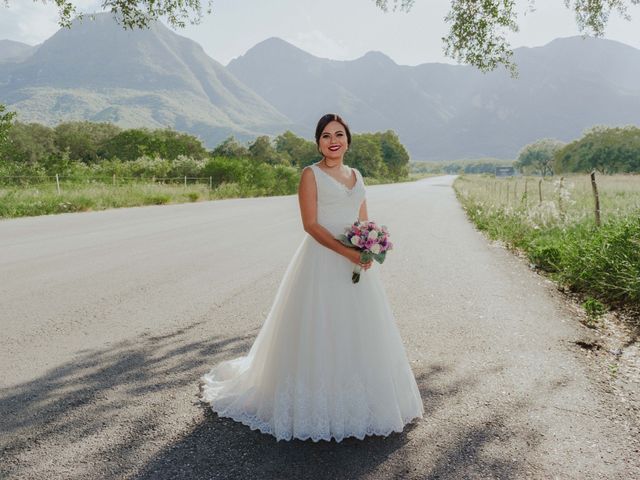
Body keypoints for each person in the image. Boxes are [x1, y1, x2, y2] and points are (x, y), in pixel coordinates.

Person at [200, 114, 424, 442]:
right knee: (321, 327)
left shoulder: (357, 175)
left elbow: (362, 220)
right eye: (325, 136)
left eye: (339, 134)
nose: (333, 140)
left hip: (355, 262)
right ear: (318, 142)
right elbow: (311, 225)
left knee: (357, 329)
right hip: (322, 259)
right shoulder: (311, 174)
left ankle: (360, 401)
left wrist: (368, 246)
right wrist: (346, 252)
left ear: (348, 140)